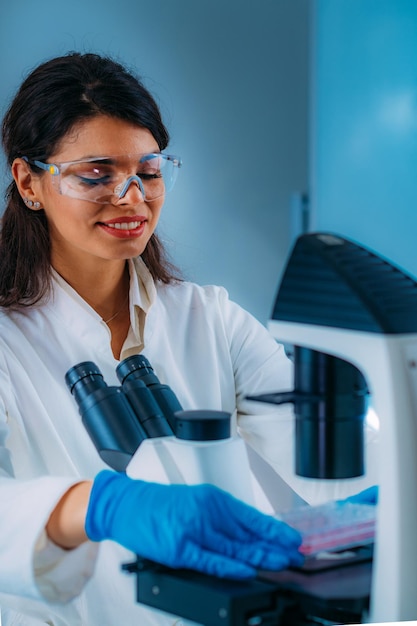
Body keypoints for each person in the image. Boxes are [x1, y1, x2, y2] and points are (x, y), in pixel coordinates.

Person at [0, 51, 309, 626]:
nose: (132, 198)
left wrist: (377, 494)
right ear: (29, 182)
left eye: (147, 171)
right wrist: (99, 505)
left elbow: (307, 451)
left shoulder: (210, 318)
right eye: (96, 174)